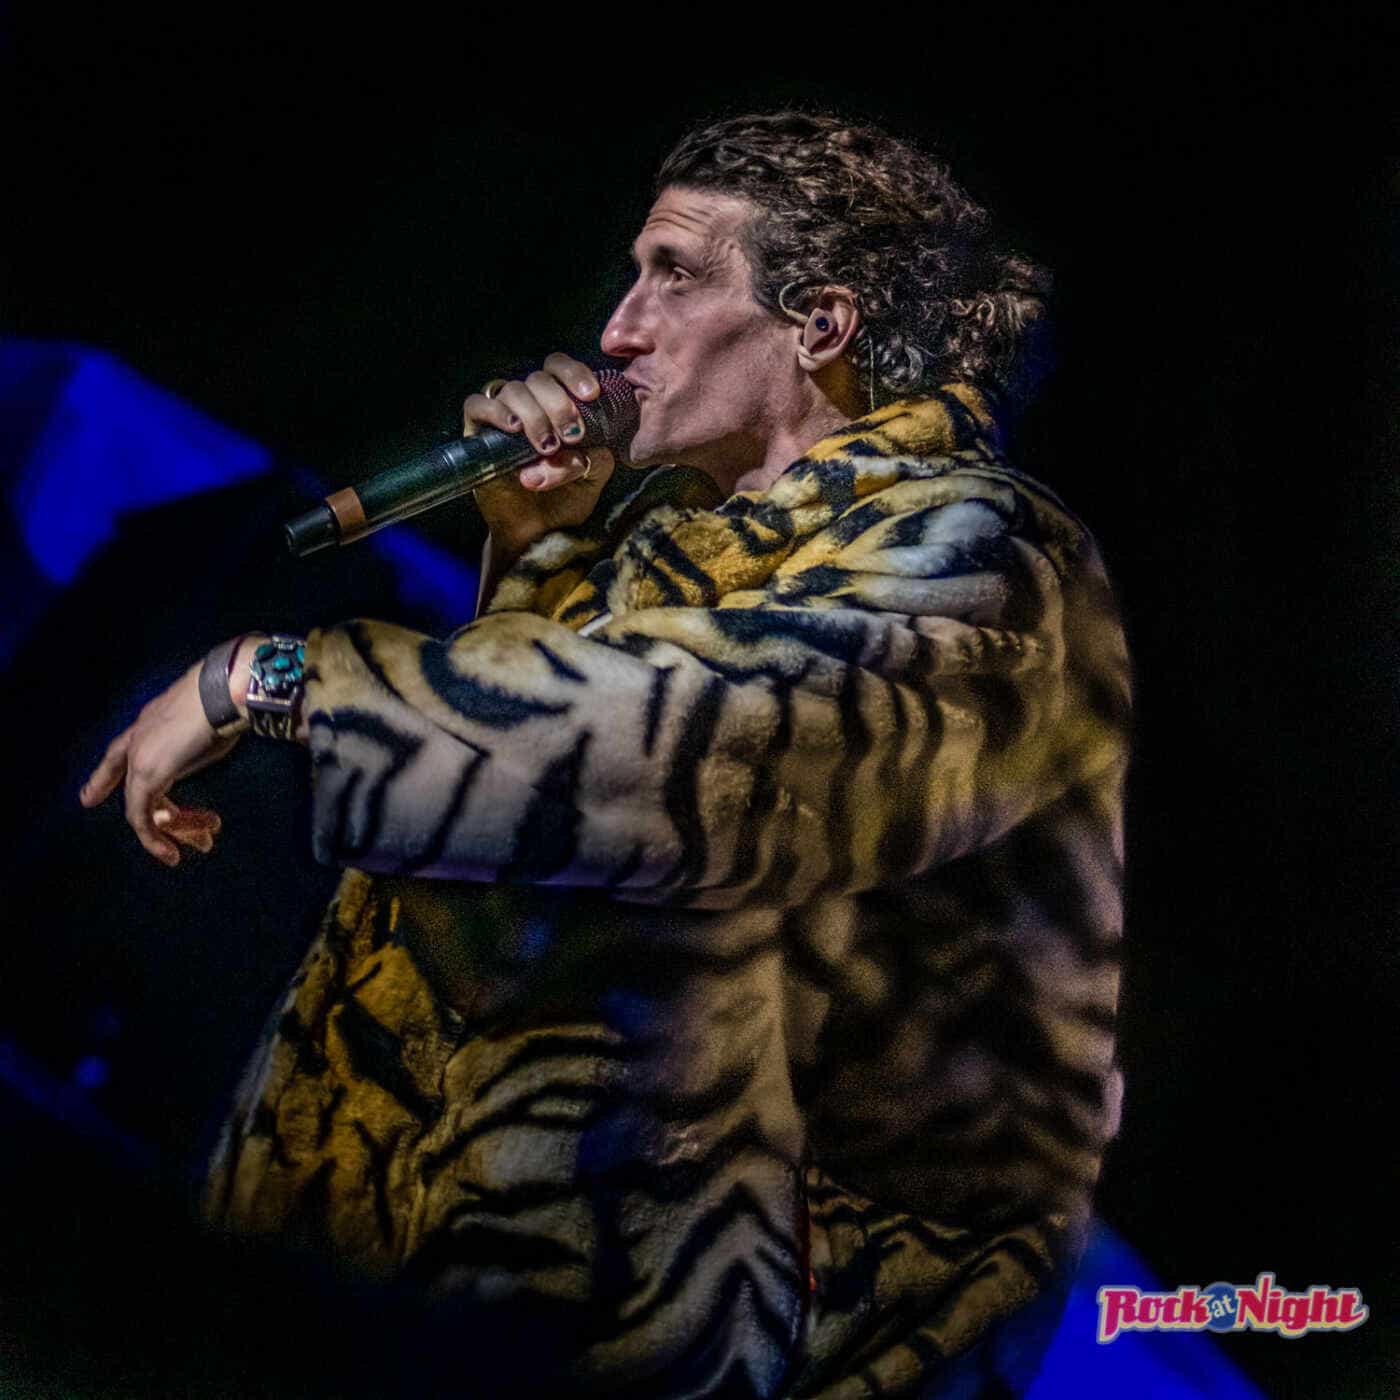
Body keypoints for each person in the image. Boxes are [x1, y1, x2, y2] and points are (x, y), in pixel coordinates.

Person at [81, 111, 1131, 1398]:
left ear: (821, 325)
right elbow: (512, 868)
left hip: (724, 1328)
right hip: (439, 1287)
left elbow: (698, 762)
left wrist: (281, 678)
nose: (618, 328)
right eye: (631, 275)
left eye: (673, 275)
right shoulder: (680, 541)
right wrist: (534, 547)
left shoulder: (991, 553)